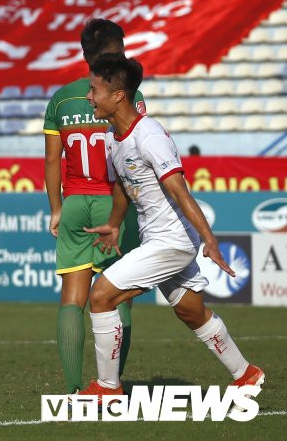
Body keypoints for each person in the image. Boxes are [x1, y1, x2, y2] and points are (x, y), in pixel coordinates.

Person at [79, 54, 265, 400]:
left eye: (94, 89)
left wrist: (209, 239)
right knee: (190, 311)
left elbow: (180, 190)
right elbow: (122, 185)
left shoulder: (148, 135)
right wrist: (115, 225)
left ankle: (108, 387)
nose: (89, 97)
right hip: (158, 237)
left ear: (118, 95)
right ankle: (246, 373)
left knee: (102, 295)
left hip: (173, 240)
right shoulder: (111, 137)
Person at [43, 19, 148, 395]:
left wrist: (56, 208)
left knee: (72, 298)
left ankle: (73, 388)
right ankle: (111, 382)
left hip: (73, 202)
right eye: (121, 51)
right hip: (112, 203)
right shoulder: (126, 96)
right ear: (114, 53)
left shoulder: (62, 98)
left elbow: (52, 160)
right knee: (118, 295)